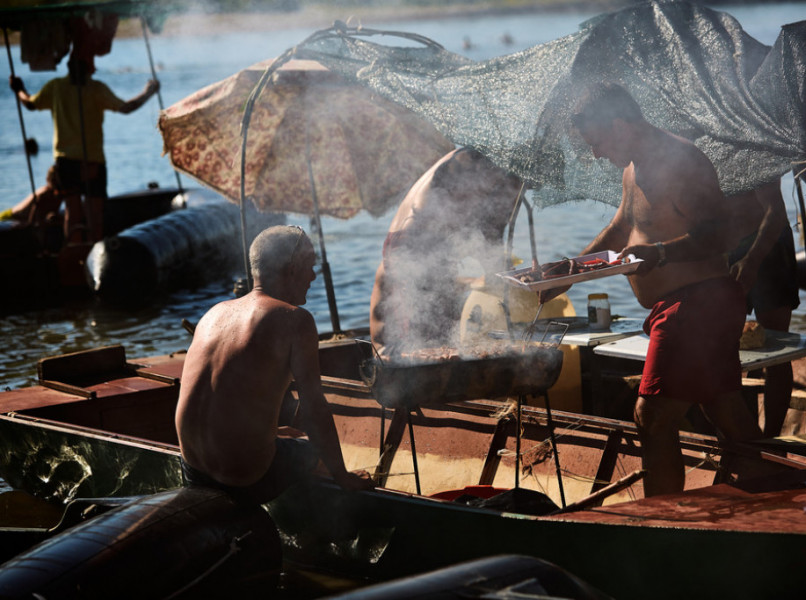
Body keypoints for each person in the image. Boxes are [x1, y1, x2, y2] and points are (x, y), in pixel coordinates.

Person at [544, 82, 762, 496]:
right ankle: (776, 487)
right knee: (723, 406)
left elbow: (721, 234)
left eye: (598, 142)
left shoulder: (679, 162)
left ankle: (661, 520)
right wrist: (568, 272)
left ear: (622, 125)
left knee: (653, 416)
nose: (595, 154)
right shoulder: (633, 167)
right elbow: (620, 229)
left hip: (697, 306)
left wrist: (660, 254)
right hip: (681, 308)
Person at [175, 225, 373, 505]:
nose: (314, 276)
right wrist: (343, 476)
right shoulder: (295, 320)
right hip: (243, 477)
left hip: (193, 468)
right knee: (310, 452)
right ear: (291, 268)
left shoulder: (213, 313)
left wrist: (271, 433)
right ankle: (317, 535)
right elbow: (314, 410)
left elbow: (225, 397)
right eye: (310, 266)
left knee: (288, 435)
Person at [369, 147, 523, 355]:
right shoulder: (505, 174)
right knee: (432, 348)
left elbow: (481, 243)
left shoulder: (473, 153)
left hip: (406, 240)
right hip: (419, 242)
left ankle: (388, 354)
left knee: (425, 336)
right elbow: (491, 242)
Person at [9, 58, 160, 241]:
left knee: (72, 214)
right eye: (92, 65)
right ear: (88, 68)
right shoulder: (95, 88)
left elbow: (30, 104)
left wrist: (19, 90)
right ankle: (90, 254)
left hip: (66, 161)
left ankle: (74, 252)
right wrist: (148, 92)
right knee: (94, 216)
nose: (95, 68)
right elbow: (127, 108)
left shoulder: (56, 86)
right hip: (92, 160)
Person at [726, 181, 800, 437]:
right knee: (720, 345)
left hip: (769, 244)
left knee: (777, 347)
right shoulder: (697, 148)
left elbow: (776, 211)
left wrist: (753, 259)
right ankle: (738, 435)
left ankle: (772, 438)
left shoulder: (756, 144)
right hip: (726, 247)